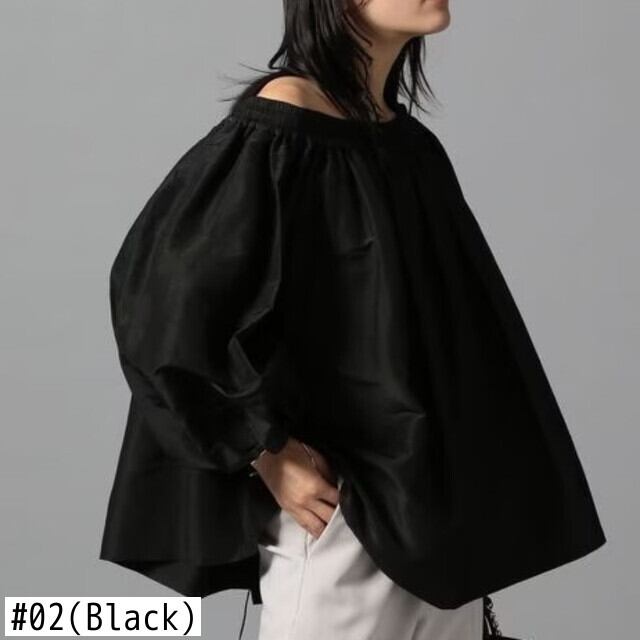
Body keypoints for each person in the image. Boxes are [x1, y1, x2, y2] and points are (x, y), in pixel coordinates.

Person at [99, 1, 607, 639]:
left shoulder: (409, 146)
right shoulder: (283, 128)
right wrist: (265, 452)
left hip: (439, 539)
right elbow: (160, 306)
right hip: (345, 524)